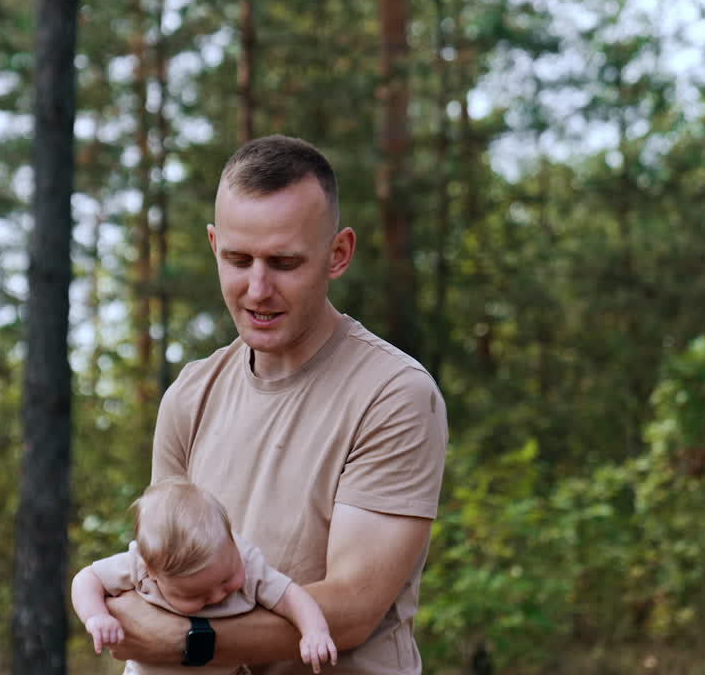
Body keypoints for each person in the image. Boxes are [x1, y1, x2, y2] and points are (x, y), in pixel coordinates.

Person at [106, 135, 449, 674]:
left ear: (338, 255)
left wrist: (187, 638)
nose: (258, 289)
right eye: (237, 260)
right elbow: (154, 566)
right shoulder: (190, 396)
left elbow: (355, 608)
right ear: (214, 244)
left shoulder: (393, 394)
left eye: (284, 262)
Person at [71, 478, 338, 674]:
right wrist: (96, 616)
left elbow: (290, 596)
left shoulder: (248, 563)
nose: (218, 595)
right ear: (153, 574)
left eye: (226, 579)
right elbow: (87, 579)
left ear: (232, 540)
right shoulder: (139, 566)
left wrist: (314, 630)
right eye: (195, 594)